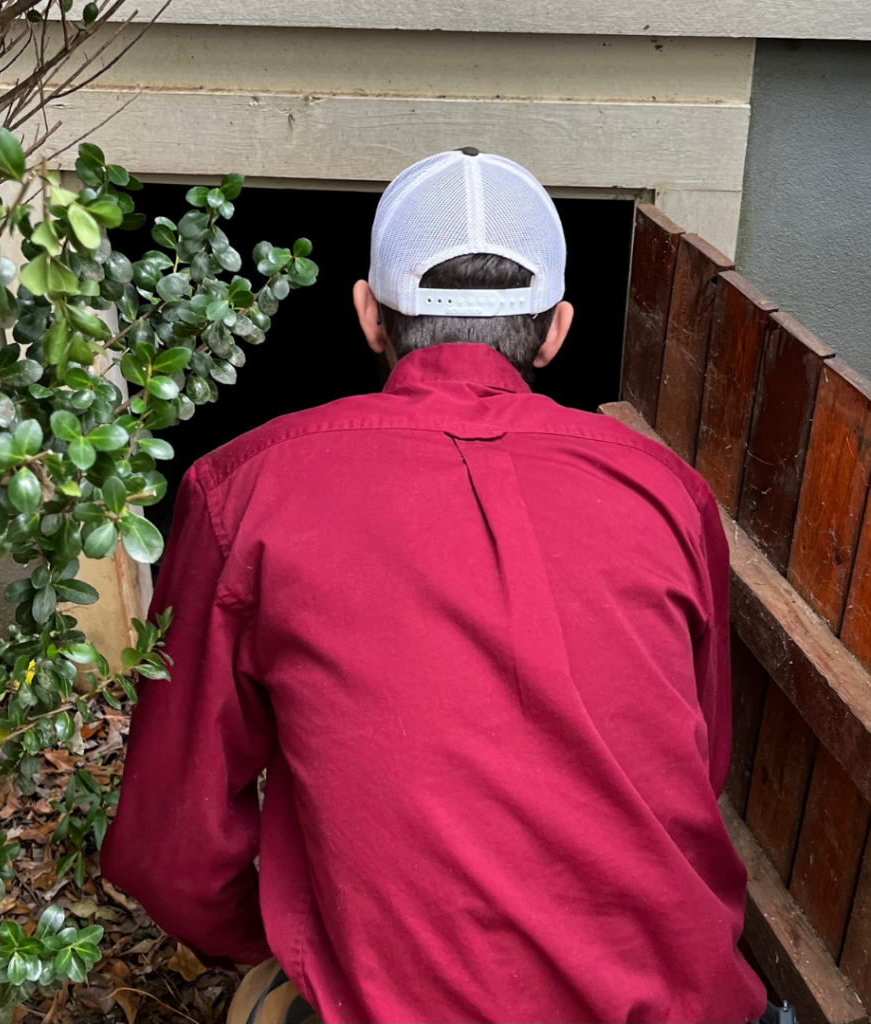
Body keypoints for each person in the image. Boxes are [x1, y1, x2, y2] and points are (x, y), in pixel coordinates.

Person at [102, 148, 768, 1024]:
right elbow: (699, 757)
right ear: (558, 329)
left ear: (369, 315)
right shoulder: (665, 493)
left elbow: (172, 850)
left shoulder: (247, 489)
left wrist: (275, 946)